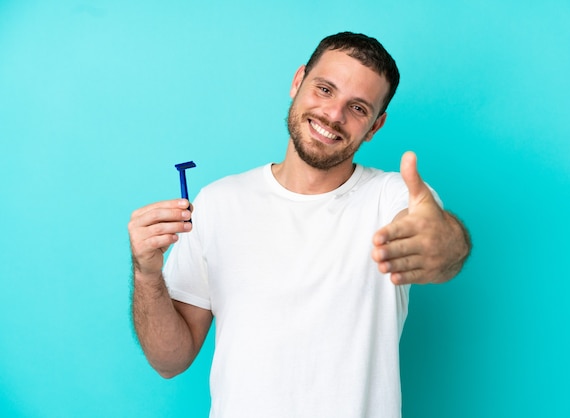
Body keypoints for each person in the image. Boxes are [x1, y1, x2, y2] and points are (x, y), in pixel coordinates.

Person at [129, 32, 471, 418]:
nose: (333, 115)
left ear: (375, 127)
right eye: (324, 89)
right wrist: (146, 274)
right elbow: (169, 360)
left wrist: (443, 242)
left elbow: (443, 247)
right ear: (298, 82)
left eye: (358, 108)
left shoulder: (391, 198)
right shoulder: (219, 202)